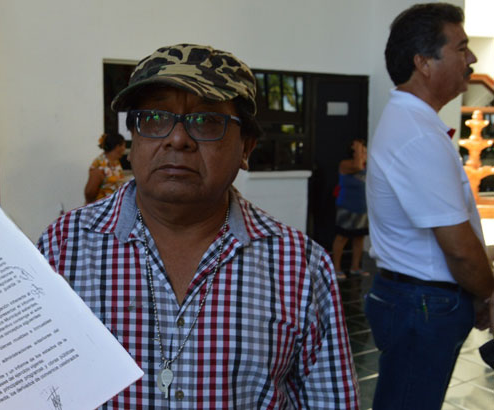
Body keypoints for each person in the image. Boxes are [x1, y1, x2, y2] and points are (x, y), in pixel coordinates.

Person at [39, 44, 358, 408]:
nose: (177, 139)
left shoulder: (300, 266)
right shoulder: (63, 248)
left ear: (246, 148)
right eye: (154, 118)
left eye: (206, 121)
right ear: (133, 140)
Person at [365, 3, 494, 409]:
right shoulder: (416, 134)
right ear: (423, 62)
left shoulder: (417, 125)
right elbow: (458, 246)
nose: (471, 59)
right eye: (461, 48)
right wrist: (489, 294)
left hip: (420, 300)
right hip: (421, 304)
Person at [332, 139, 369, 279]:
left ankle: (355, 267)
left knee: (359, 237)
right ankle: (336, 268)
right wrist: (358, 147)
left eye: (364, 151)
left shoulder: (367, 166)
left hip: (362, 208)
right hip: (347, 207)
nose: (364, 154)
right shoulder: (346, 164)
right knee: (342, 237)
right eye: (361, 151)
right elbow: (358, 166)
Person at [84, 133, 127, 204]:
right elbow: (89, 194)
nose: (124, 149)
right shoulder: (100, 166)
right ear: (117, 146)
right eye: (124, 145)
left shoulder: (115, 162)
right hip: (100, 208)